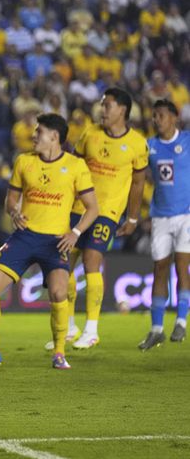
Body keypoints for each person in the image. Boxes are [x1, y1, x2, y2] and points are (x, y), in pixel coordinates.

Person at [0, 114, 99, 370]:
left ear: (54, 137)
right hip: (24, 238)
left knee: (60, 292)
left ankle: (59, 354)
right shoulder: (24, 161)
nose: (34, 135)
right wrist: (14, 212)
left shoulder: (75, 166)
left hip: (56, 241)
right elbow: (10, 200)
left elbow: (93, 208)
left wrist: (75, 233)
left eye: (39, 132)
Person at [46, 88, 148, 351]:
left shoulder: (137, 143)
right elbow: (72, 168)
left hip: (107, 213)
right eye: (102, 105)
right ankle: (68, 327)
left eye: (108, 106)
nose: (102, 110)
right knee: (64, 262)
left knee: (92, 260)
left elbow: (138, 184)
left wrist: (133, 218)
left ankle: (91, 330)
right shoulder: (90, 134)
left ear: (122, 110)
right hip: (78, 207)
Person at [138, 100, 190, 350]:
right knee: (159, 268)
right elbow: (138, 176)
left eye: (160, 115)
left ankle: (181, 321)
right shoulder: (150, 146)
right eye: (154, 115)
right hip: (159, 216)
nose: (155, 119)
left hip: (186, 215)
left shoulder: (188, 141)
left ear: (174, 118)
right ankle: (156, 329)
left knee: (182, 267)